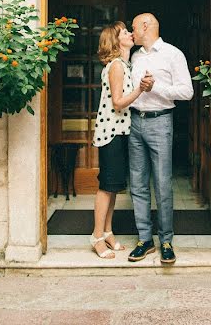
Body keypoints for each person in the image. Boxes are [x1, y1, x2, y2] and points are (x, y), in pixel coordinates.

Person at [127, 13, 193, 264]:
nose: (132, 32)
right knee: (138, 184)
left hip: (161, 121)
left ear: (145, 26)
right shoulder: (134, 56)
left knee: (163, 184)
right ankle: (145, 240)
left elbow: (187, 92)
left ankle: (166, 240)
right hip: (135, 122)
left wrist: (156, 88)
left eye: (134, 27)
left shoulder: (173, 54)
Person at [90, 21, 144, 259]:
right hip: (111, 133)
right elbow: (118, 102)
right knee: (105, 187)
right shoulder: (117, 67)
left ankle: (108, 232)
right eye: (125, 32)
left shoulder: (124, 64)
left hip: (120, 132)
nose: (130, 34)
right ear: (116, 40)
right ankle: (96, 237)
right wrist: (141, 90)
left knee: (112, 188)